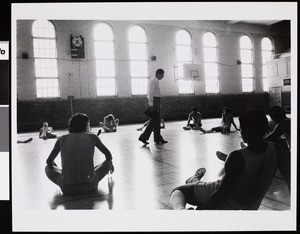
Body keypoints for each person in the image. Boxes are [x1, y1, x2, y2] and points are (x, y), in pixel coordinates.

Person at [170, 110, 277, 210]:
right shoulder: (277, 149)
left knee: (178, 191)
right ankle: (194, 179)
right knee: (201, 184)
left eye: (241, 128)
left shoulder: (237, 157)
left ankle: (182, 210)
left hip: (223, 202)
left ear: (246, 130)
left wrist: (202, 214)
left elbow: (220, 194)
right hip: (246, 206)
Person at [45, 113, 114, 195]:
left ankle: (67, 176)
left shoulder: (62, 139)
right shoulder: (93, 137)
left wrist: (54, 165)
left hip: (67, 188)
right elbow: (109, 156)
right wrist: (110, 164)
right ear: (86, 125)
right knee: (108, 162)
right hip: (90, 186)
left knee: (48, 167)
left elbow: (49, 161)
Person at [264, 106, 291, 191]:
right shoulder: (290, 120)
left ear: (274, 117)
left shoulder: (283, 123)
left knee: (287, 174)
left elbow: (271, 137)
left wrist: (254, 145)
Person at [138, 69, 168, 145]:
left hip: (157, 100)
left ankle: (157, 138)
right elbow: (150, 93)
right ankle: (144, 137)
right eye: (162, 75)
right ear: (159, 74)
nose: (163, 76)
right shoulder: (153, 81)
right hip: (154, 101)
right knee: (154, 120)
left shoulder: (156, 81)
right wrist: (151, 104)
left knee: (156, 121)